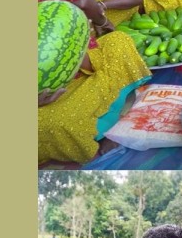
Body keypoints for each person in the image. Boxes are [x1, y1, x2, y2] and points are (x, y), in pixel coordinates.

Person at [38, 25, 151, 166]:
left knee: (117, 39)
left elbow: (89, 40)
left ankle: (111, 119)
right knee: (57, 123)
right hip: (44, 100)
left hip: (76, 72)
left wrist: (68, 53)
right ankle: (93, 148)